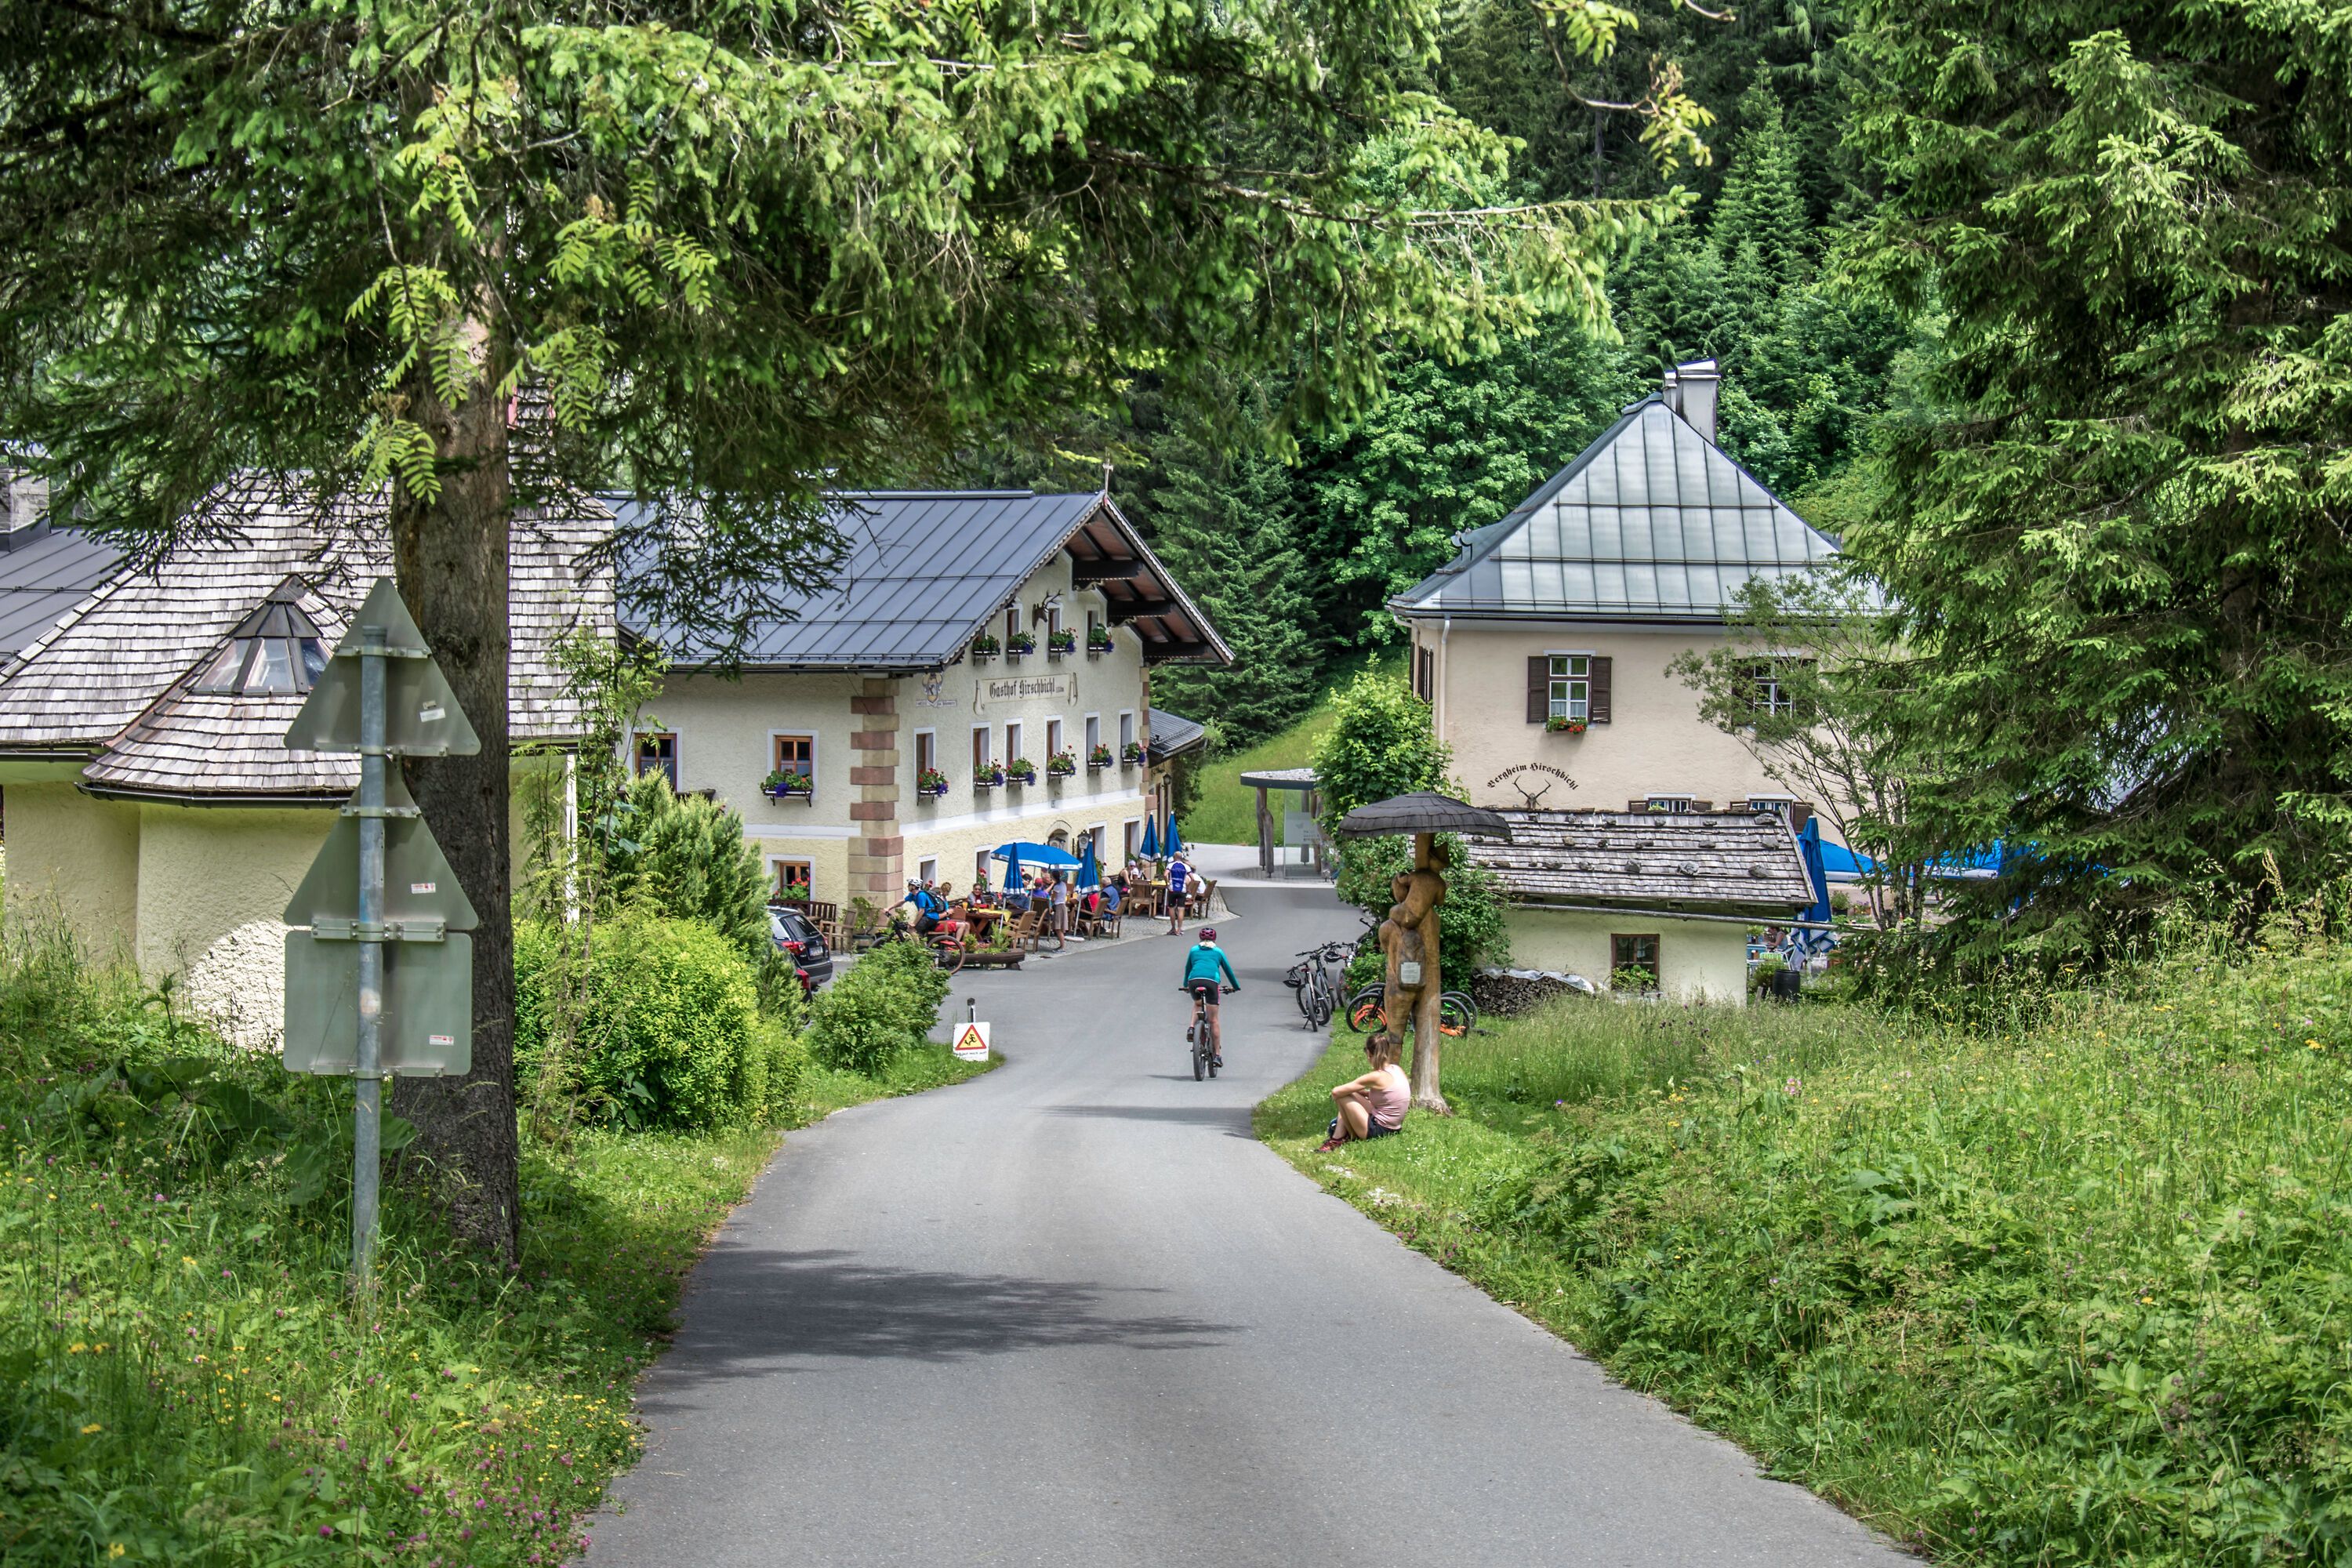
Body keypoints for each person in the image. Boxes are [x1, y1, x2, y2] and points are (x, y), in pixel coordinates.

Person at [1318, 1033, 1409, 1152]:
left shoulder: (1376, 1076)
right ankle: (1341, 1135)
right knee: (1352, 1094)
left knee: (1342, 1096)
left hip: (1379, 1130)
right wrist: (1362, 1092)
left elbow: (1336, 1092)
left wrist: (1354, 1089)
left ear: (1369, 1054)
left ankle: (1338, 1138)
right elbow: (1387, 1096)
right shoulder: (1396, 1069)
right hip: (1395, 1127)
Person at [1177, 926, 1240, 1066]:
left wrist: (1186, 985)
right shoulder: (1218, 952)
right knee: (1213, 1021)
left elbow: (1188, 968)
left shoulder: (1193, 950)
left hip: (1194, 981)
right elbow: (1228, 970)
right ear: (1214, 939)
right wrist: (1235, 987)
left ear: (1200, 938)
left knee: (1198, 1004)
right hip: (1211, 983)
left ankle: (1192, 1027)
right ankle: (1217, 1055)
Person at [1165, 852, 1192, 935]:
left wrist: (1167, 883)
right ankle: (1179, 930)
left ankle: (1173, 928)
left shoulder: (1170, 865)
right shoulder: (1186, 866)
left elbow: (1165, 874)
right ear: (1181, 858)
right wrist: (1188, 888)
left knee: (1171, 908)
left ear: (1174, 857)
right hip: (1182, 890)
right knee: (1181, 909)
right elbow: (1193, 879)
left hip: (1172, 889)